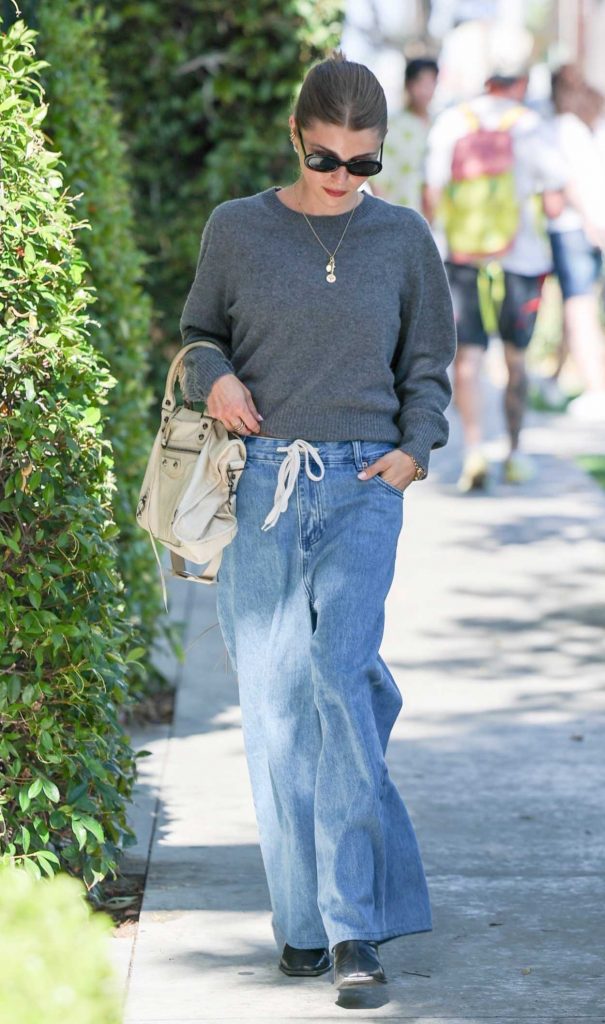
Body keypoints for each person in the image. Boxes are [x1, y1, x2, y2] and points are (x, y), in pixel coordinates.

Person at [179, 52, 456, 996]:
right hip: (262, 483)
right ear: (296, 138)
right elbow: (198, 337)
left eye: (363, 163)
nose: (342, 179)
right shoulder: (237, 228)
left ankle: (352, 930)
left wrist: (415, 450)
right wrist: (215, 376)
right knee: (272, 708)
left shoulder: (402, 238)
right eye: (326, 159)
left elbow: (427, 364)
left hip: (363, 486)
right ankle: (301, 924)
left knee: (341, 681)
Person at [423, 61, 567, 491]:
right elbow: (555, 201)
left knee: (468, 357)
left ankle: (474, 451)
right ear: (520, 83)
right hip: (521, 260)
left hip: (461, 257)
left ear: (485, 82)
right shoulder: (531, 125)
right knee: (515, 359)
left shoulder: (452, 121)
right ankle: (515, 454)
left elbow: (431, 197)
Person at [543, 67, 605, 420]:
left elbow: (566, 183)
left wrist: (588, 221)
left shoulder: (562, 127)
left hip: (573, 227)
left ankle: (596, 389)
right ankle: (556, 379)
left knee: (578, 307)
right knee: (582, 305)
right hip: (593, 227)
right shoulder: (589, 126)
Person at [374, 57, 439, 212]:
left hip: (436, 217)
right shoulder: (392, 125)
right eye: (420, 83)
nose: (425, 90)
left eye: (430, 83)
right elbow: (378, 177)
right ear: (408, 85)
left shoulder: (441, 124)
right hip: (401, 212)